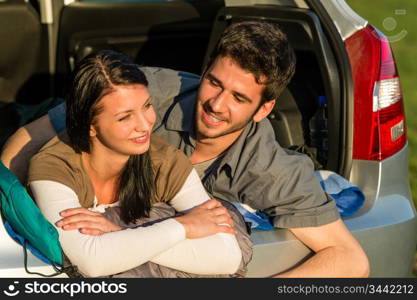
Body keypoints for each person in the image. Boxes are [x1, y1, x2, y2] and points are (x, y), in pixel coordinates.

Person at [1, 21, 369, 277]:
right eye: (214, 82)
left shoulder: (272, 169)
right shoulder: (153, 91)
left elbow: (350, 261)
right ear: (204, 69)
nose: (216, 104)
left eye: (239, 98)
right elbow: (29, 139)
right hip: (40, 120)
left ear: (264, 110)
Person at [25, 50, 252, 278]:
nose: (144, 125)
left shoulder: (164, 160)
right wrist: (183, 227)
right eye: (125, 117)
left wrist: (120, 233)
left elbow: (227, 256)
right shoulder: (54, 165)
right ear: (89, 127)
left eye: (146, 106)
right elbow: (91, 262)